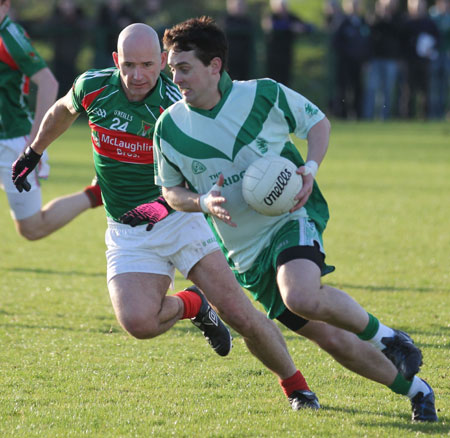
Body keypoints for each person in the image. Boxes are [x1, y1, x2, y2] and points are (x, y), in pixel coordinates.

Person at [11, 22, 330, 412]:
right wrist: (34, 151)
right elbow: (63, 108)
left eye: (147, 64)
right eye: (128, 65)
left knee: (241, 315)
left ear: (163, 62)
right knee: (138, 323)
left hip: (183, 219)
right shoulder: (93, 87)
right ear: (115, 60)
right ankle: (193, 305)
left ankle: (297, 387)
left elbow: (202, 165)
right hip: (127, 230)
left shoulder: (177, 105)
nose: (137, 75)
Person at [132, 16, 437, 422]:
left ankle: (389, 338)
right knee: (331, 338)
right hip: (247, 253)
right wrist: (202, 202)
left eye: (184, 68)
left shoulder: (263, 95)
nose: (177, 78)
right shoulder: (169, 127)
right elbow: (171, 192)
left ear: (215, 66)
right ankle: (417, 391)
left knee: (301, 295)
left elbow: (318, 124)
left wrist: (309, 168)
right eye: (172, 69)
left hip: (291, 217)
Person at [0, 0, 101, 241]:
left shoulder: (9, 38)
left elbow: (48, 83)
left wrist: (34, 143)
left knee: (32, 228)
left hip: (12, 141)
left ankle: (98, 194)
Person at [363, 0, 402, 120]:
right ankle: (368, 117)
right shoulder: (373, 20)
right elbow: (368, 38)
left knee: (387, 91)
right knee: (372, 89)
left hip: (390, 60)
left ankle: (385, 117)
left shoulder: (397, 20)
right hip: (374, 60)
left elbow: (400, 36)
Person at [332, 0, 371, 119]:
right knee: (343, 89)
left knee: (358, 88)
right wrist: (348, 53)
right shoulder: (342, 22)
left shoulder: (363, 22)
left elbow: (368, 43)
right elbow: (336, 43)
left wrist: (366, 60)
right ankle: (342, 114)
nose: (354, 7)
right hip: (345, 63)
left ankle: (358, 114)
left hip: (359, 63)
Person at [262, 0, 314, 86]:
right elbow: (272, 26)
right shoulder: (271, 16)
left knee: (285, 84)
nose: (282, 8)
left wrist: (302, 28)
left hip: (286, 57)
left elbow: (310, 27)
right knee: (272, 83)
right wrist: (290, 27)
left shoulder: (291, 17)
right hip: (273, 58)